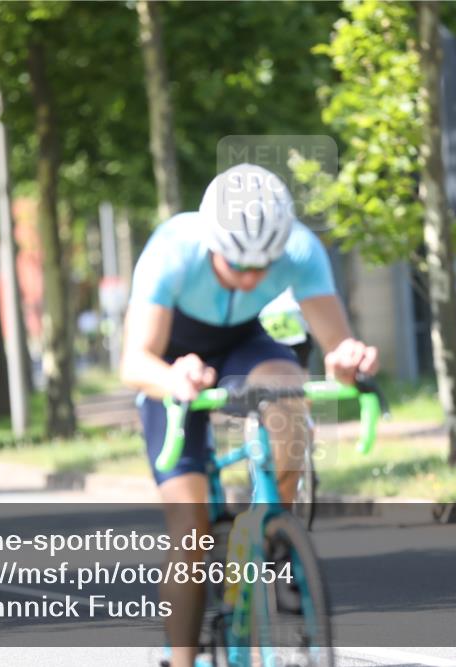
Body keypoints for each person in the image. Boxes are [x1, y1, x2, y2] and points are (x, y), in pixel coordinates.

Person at [120, 164, 378, 667]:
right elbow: (133, 361)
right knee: (189, 529)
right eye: (237, 264)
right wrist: (173, 378)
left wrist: (348, 360)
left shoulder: (301, 249)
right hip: (171, 361)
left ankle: (273, 533)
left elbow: (336, 346)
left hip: (244, 341)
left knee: (289, 400)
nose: (252, 276)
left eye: (264, 264)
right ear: (212, 242)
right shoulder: (172, 250)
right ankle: (181, 659)